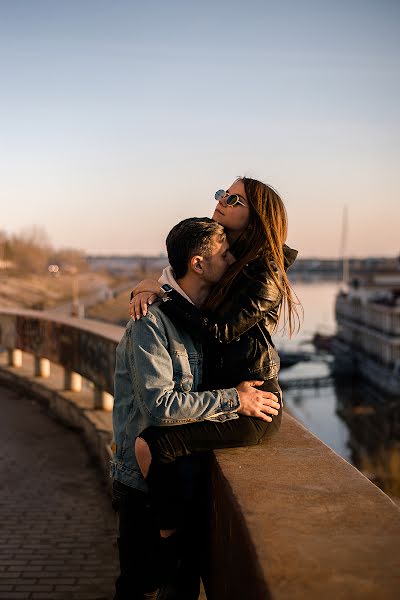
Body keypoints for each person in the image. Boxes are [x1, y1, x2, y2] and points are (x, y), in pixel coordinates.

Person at [130, 176, 299, 596]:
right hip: (224, 398)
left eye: (234, 198)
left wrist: (164, 295)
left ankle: (169, 548)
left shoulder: (265, 271)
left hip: (254, 401)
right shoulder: (232, 260)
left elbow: (219, 330)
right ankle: (174, 562)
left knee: (154, 444)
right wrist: (153, 285)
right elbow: (193, 275)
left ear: (256, 215)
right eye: (222, 193)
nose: (223, 201)